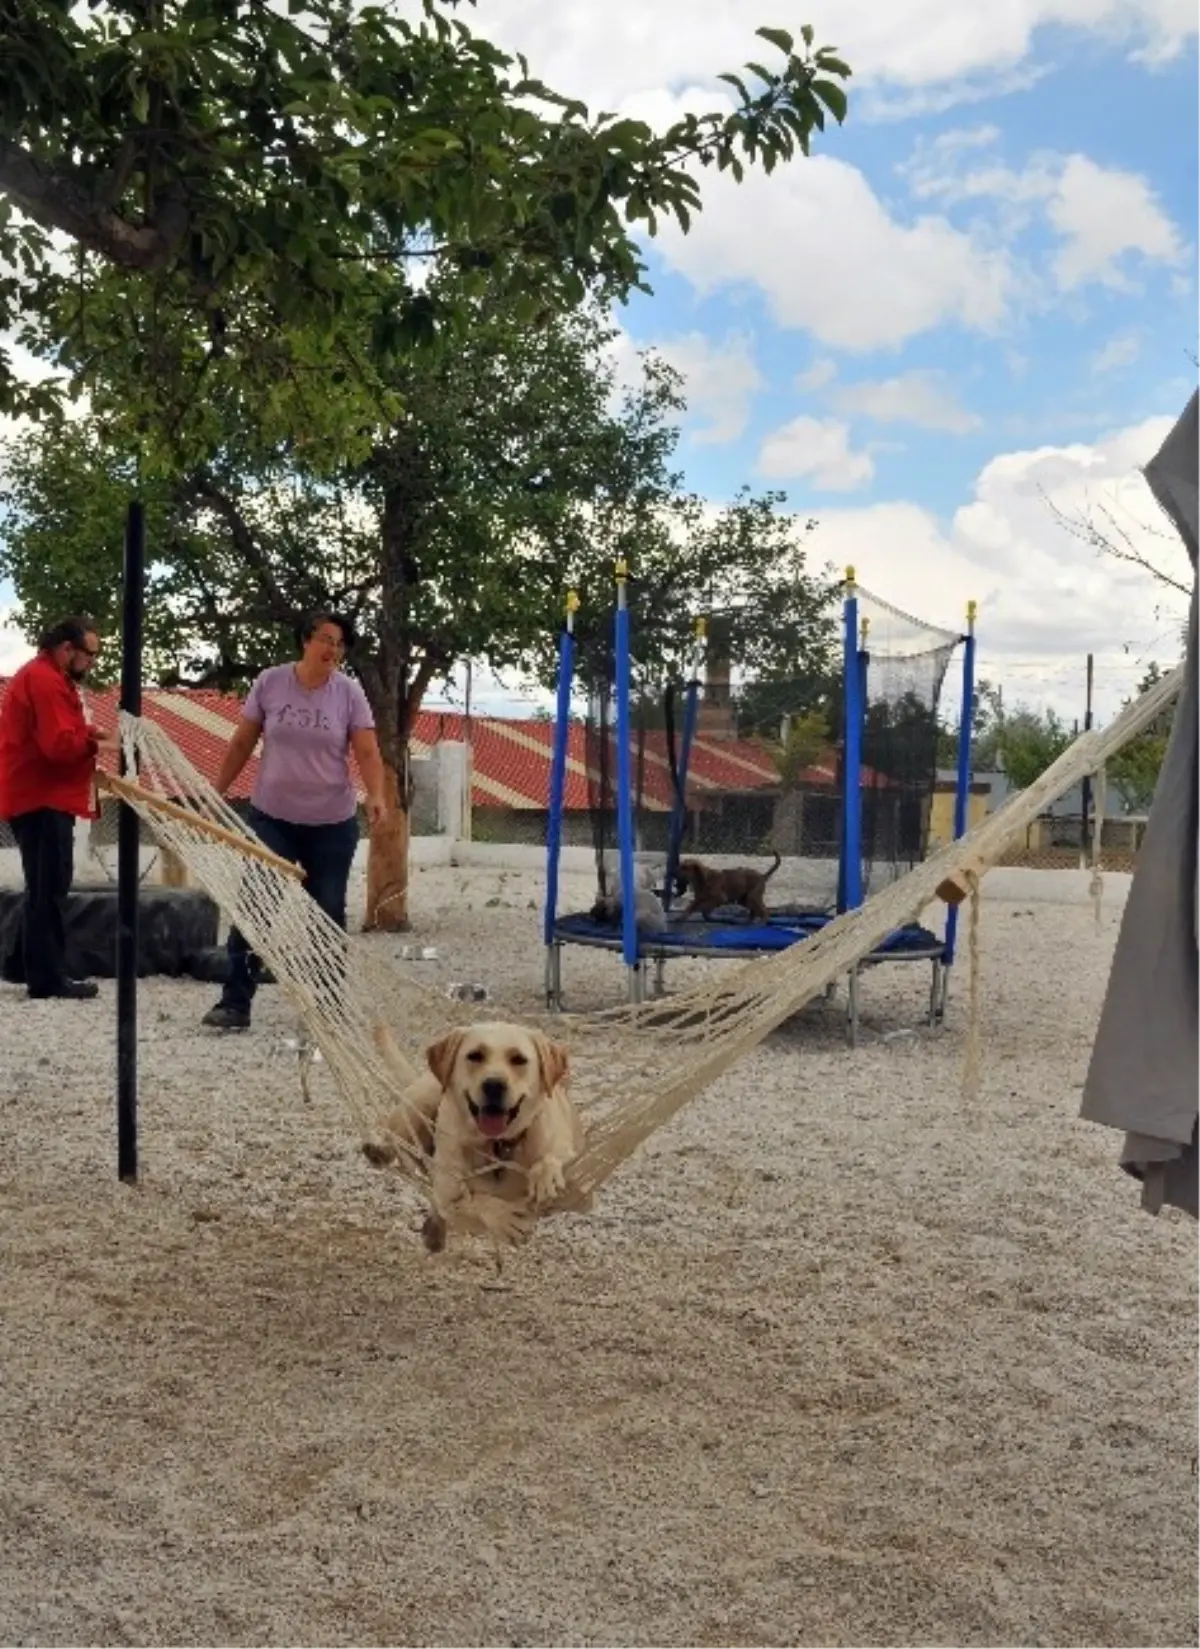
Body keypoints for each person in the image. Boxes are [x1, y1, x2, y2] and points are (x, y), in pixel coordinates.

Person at [201, 610, 387, 1031]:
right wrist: (217, 790)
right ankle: (235, 1003)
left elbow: (368, 751)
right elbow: (243, 740)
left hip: (332, 822)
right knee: (256, 907)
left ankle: (329, 1005)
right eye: (325, 640)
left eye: (339, 644)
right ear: (305, 640)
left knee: (326, 911)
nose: (332, 650)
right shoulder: (270, 682)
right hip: (273, 818)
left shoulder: (349, 693)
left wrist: (376, 795)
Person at [0, 615, 112, 1000]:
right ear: (68, 649)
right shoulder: (47, 680)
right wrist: (95, 745)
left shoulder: (41, 674)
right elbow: (58, 746)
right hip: (42, 796)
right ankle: (47, 979)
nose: (92, 662)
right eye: (89, 654)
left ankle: (20, 964)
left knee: (40, 885)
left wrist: (86, 733)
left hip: (33, 794)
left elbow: (59, 732)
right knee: (50, 888)